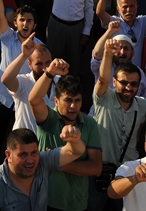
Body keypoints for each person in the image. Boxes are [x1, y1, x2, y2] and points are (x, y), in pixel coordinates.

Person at [27, 58, 103, 211]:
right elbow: (34, 99)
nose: (73, 106)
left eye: (77, 100)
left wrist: (57, 164)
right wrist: (50, 73)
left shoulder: (90, 124)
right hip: (44, 201)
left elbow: (96, 168)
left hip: (77, 204)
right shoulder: (49, 119)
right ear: (56, 101)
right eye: (68, 100)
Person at [91, 36, 146, 210]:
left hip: (126, 173)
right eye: (123, 82)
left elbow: (139, 132)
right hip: (99, 170)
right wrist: (108, 54)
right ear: (114, 82)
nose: (128, 87)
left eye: (133, 84)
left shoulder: (142, 105)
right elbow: (102, 79)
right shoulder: (103, 97)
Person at [0, 125, 85, 211]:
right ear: (8, 155)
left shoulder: (43, 162)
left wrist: (74, 140)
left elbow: (76, 151)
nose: (30, 160)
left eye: (34, 153)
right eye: (22, 154)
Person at [42, 0, 93, 76]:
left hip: (76, 28)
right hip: (57, 24)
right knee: (53, 56)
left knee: (74, 59)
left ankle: (72, 86)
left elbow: (89, 9)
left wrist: (86, 31)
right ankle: (50, 83)